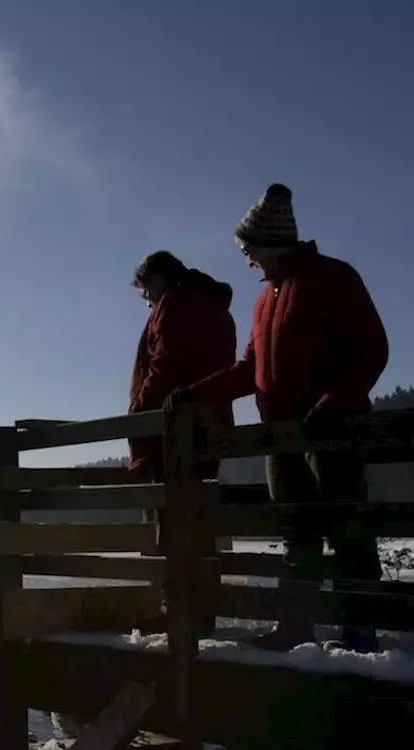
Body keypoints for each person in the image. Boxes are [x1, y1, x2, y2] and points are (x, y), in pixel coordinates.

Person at [170, 183, 389, 653]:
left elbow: (371, 349)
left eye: (249, 249)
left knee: (347, 529)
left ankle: (362, 631)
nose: (246, 260)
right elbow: (251, 369)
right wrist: (196, 393)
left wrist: (335, 402)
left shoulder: (333, 278)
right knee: (297, 535)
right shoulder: (265, 300)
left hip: (331, 432)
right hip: (280, 438)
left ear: (271, 242)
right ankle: (298, 626)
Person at [127, 250, 237, 483]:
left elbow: (165, 368)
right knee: (199, 502)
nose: (148, 303)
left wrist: (137, 412)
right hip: (211, 421)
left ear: (156, 279)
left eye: (145, 293)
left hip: (171, 429)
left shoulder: (172, 305)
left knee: (173, 506)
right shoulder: (216, 308)